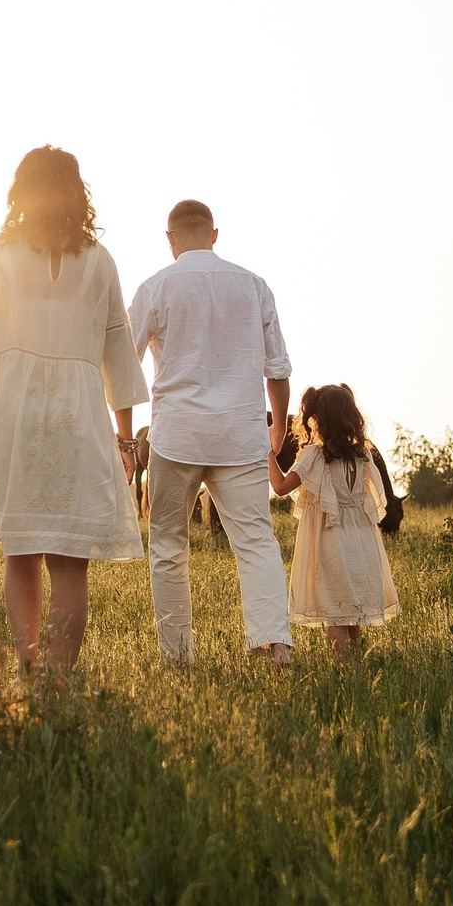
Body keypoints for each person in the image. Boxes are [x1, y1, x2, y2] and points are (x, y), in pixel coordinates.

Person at [0, 146, 148, 674]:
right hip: (78, 413)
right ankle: (59, 677)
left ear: (22, 190)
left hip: (12, 409)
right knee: (69, 559)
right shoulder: (100, 261)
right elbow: (120, 359)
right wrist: (126, 439)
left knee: (20, 552)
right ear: (75, 192)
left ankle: (29, 665)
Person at [129, 199, 295, 669]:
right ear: (215, 234)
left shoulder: (155, 287)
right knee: (256, 541)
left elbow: (124, 362)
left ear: (170, 239)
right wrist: (277, 428)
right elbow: (278, 368)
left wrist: (123, 429)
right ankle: (274, 645)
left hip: (176, 435)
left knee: (167, 546)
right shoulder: (254, 285)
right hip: (240, 434)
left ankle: (178, 657)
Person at [272, 383, 399, 658]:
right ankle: (353, 667)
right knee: (352, 612)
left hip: (331, 540)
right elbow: (377, 502)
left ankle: (345, 671)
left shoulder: (314, 455)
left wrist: (267, 454)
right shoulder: (363, 454)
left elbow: (281, 487)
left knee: (336, 612)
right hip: (363, 540)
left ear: (317, 419)